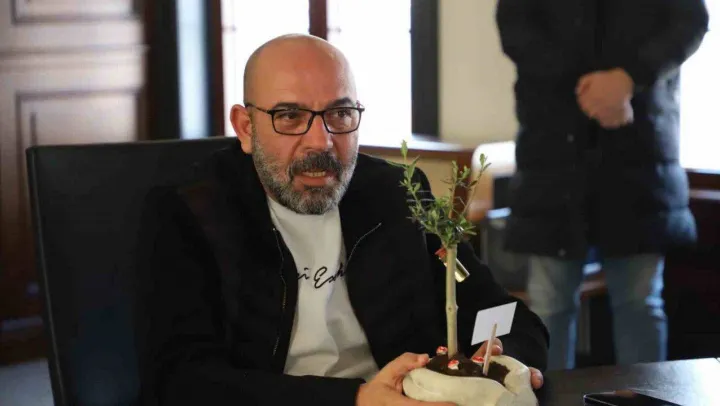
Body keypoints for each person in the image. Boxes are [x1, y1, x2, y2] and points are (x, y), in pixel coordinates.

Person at [136, 34, 548, 405]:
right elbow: (182, 381)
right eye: (290, 116)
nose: (321, 142)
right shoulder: (190, 212)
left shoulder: (396, 195)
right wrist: (356, 399)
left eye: (340, 114)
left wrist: (504, 357)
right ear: (246, 128)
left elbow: (494, 308)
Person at [495, 0, 709, 370]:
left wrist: (629, 77)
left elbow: (690, 20)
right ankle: (551, 396)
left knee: (639, 304)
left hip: (640, 150)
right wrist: (588, 86)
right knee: (550, 306)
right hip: (552, 154)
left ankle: (644, 395)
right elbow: (516, 27)